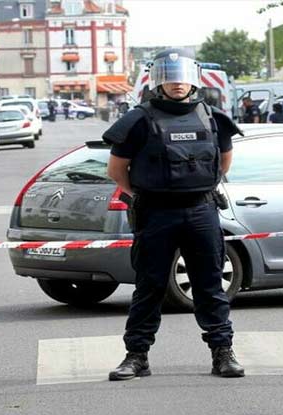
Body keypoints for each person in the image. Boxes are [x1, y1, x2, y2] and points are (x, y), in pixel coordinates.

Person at [103, 48, 245, 380]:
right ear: (158, 82)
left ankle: (222, 353)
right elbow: (116, 170)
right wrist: (141, 194)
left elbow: (224, 161)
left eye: (181, 78)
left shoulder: (211, 117)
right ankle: (137, 356)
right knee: (149, 287)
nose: (176, 84)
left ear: (192, 80)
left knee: (210, 286)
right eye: (169, 78)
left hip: (201, 209)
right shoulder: (138, 119)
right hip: (156, 213)